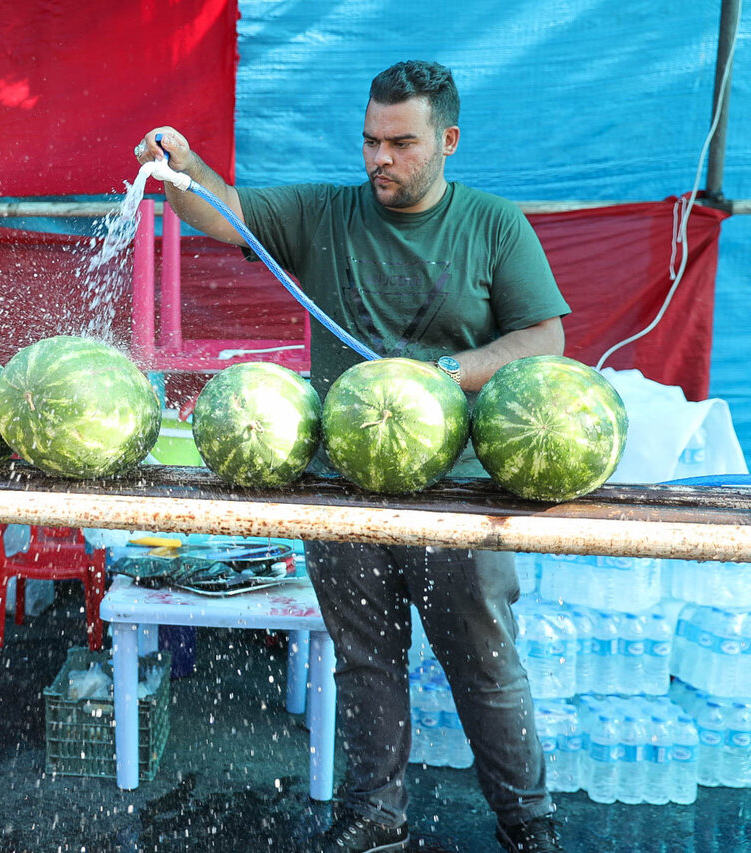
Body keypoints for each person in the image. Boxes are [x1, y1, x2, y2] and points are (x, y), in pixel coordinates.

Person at [134, 60, 570, 853]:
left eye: (401, 143)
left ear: (448, 141)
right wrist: (183, 166)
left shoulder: (495, 224)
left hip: (458, 490)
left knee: (483, 660)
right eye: (371, 141)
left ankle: (528, 819)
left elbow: (545, 338)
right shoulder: (327, 213)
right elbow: (223, 216)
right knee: (366, 660)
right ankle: (376, 814)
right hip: (344, 480)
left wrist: (445, 374)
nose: (380, 159)